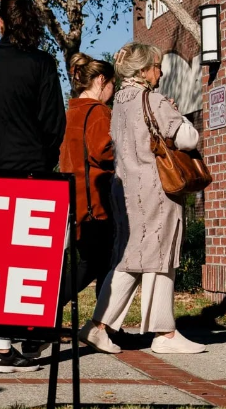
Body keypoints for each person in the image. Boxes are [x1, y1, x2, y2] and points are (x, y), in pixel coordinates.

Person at [0, 0, 66, 371]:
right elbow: (54, 122)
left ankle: (1, 346)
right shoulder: (41, 63)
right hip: (31, 170)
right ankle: (23, 337)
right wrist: (45, 160)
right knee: (30, 261)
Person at [86, 42, 207, 355]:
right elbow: (189, 138)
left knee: (131, 258)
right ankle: (164, 334)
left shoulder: (119, 103)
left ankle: (100, 326)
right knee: (161, 255)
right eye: (156, 65)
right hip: (156, 190)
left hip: (123, 189)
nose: (161, 71)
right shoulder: (153, 100)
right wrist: (176, 113)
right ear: (143, 70)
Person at [57, 55, 118, 350]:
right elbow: (103, 151)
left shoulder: (70, 112)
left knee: (92, 263)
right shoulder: (99, 112)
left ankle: (100, 325)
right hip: (96, 200)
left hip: (75, 199)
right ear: (101, 81)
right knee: (95, 265)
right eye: (112, 85)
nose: (112, 92)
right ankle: (95, 326)